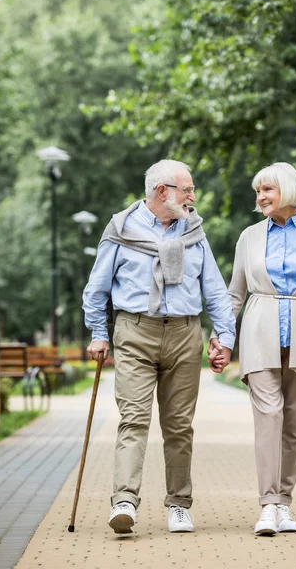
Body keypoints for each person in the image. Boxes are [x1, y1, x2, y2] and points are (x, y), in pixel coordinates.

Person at [83, 159, 235, 534]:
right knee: (134, 418)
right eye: (188, 190)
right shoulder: (121, 228)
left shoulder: (194, 231)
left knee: (179, 426)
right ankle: (124, 501)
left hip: (185, 334)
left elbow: (214, 290)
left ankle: (179, 504)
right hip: (135, 332)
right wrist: (98, 333)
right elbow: (97, 288)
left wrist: (225, 338)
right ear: (162, 191)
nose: (193, 197)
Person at [209, 162, 296, 535]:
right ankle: (268, 505)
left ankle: (284, 503)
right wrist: (223, 340)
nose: (260, 197)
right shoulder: (249, 236)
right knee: (270, 417)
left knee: (295, 425)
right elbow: (235, 294)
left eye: (267, 190)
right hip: (259, 331)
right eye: (258, 191)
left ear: (288, 190)